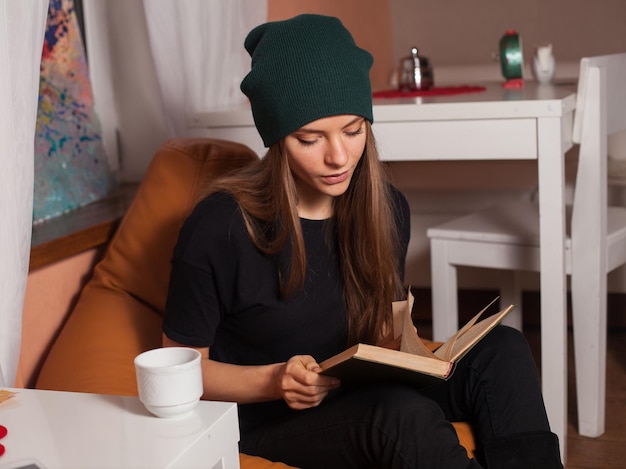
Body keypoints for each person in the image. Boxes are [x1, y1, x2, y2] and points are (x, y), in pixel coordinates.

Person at [162, 14, 563, 469]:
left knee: (503, 350)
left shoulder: (386, 207)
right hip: (271, 419)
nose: (338, 156)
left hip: (357, 388)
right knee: (401, 417)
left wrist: (413, 352)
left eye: (354, 130)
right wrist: (277, 381)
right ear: (277, 139)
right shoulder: (220, 227)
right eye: (310, 139)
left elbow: (383, 332)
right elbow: (183, 369)